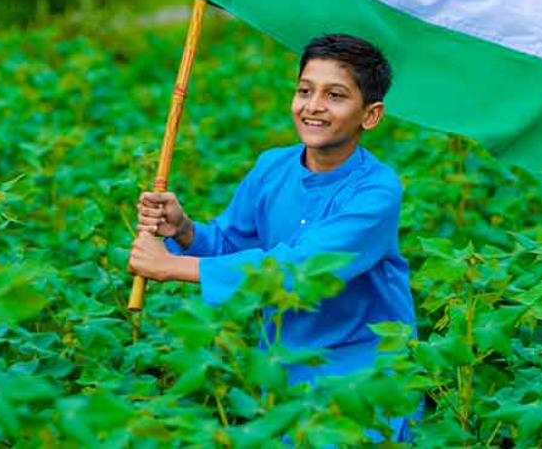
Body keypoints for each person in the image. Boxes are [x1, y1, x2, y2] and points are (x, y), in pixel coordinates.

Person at [129, 33, 416, 440]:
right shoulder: (271, 167)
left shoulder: (376, 192)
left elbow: (302, 269)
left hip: (365, 379)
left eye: (335, 95)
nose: (313, 106)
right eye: (304, 90)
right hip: (285, 373)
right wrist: (186, 231)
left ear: (370, 115)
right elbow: (235, 246)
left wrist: (172, 265)